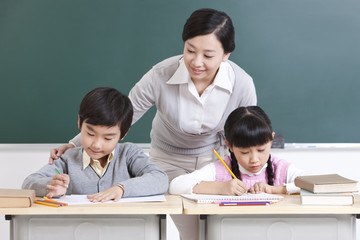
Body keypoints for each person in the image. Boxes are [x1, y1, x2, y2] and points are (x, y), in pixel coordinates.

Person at [47, 8, 256, 240]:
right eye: (190, 50)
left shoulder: (242, 84)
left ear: (226, 54)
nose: (196, 62)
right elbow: (124, 115)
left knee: (220, 230)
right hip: (168, 161)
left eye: (208, 56)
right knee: (192, 232)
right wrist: (73, 145)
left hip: (215, 162)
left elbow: (248, 135)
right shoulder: (160, 75)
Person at [22, 87, 168, 201]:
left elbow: (160, 179)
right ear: (80, 123)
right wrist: (51, 185)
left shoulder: (129, 154)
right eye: (90, 134)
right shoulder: (67, 159)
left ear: (123, 134)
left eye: (108, 138)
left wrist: (121, 189)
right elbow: (28, 183)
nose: (97, 145)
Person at [169, 106, 305, 196]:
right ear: (230, 146)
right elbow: (176, 186)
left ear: (272, 139)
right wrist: (221, 188)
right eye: (245, 152)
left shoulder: (281, 169)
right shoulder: (220, 169)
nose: (254, 159)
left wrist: (273, 189)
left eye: (261, 150)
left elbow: (318, 185)